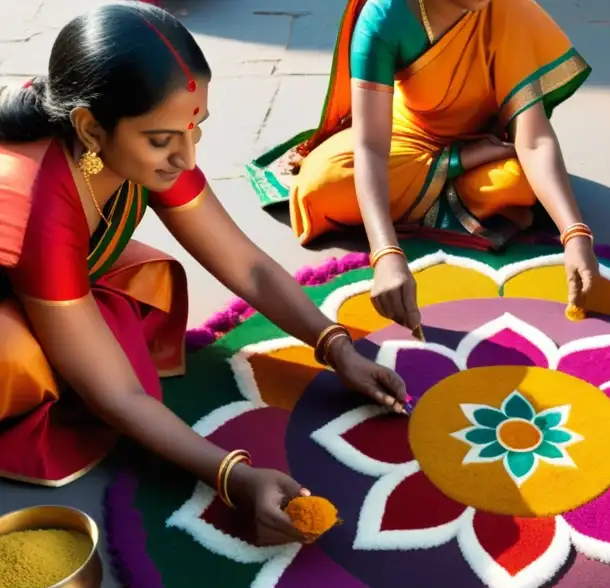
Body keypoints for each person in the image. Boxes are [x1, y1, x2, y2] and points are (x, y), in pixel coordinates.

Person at [0, 2, 407, 543]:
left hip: (62, 273)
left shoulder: (135, 138)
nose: (187, 160)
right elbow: (118, 396)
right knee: (27, 362)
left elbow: (249, 266)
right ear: (90, 129)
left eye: (196, 132)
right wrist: (231, 477)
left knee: (141, 293)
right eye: (162, 141)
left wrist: (338, 349)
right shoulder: (41, 205)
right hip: (16, 297)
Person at [273, 0, 598, 334]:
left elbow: (533, 140)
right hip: (405, 134)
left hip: (480, 137)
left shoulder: (508, 9)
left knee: (521, 183)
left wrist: (575, 234)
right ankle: (458, 171)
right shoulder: (385, 15)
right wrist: (385, 253)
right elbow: (370, 147)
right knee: (323, 184)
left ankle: (435, 188)